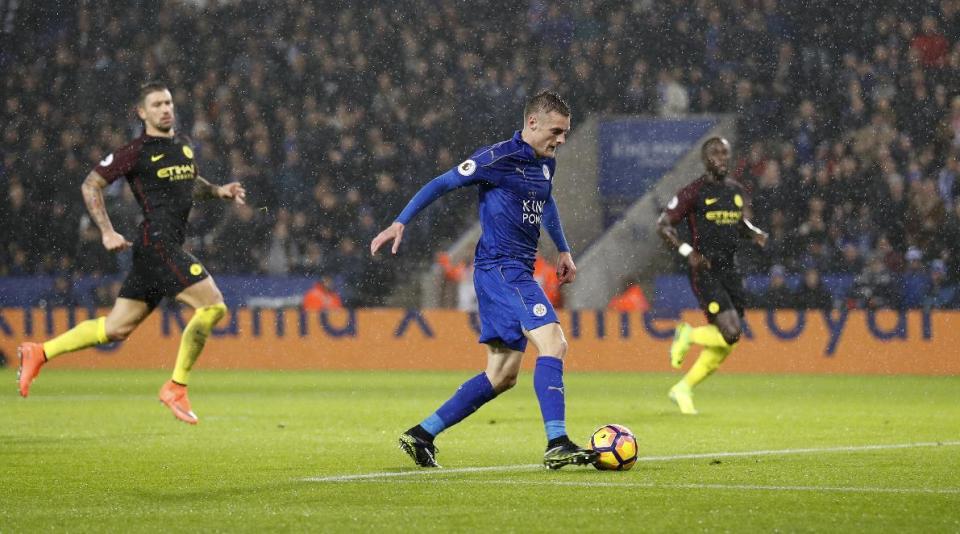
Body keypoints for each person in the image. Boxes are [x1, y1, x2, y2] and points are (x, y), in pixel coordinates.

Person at [370, 91, 597, 469]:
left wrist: (563, 249)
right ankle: (557, 442)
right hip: (502, 269)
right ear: (533, 123)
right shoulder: (497, 158)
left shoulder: (545, 163)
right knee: (553, 343)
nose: (560, 140)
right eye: (556, 131)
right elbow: (441, 183)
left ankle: (422, 434)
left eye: (566, 133)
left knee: (502, 374)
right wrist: (400, 222)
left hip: (511, 272)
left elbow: (546, 200)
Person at [16, 82, 246, 425]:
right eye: (156, 105)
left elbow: (189, 182)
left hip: (154, 251)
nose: (166, 109)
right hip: (158, 245)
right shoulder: (135, 152)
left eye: (168, 102)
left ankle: (41, 351)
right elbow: (90, 184)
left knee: (115, 329)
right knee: (213, 306)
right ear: (143, 113)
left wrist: (218, 191)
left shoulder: (183, 147)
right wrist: (107, 231)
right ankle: (176, 386)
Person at [656, 137, 767, 414]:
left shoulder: (736, 191)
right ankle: (688, 335)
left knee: (729, 341)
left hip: (731, 269)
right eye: (715, 153)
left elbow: (739, 222)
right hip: (705, 269)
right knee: (730, 332)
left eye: (725, 153)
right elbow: (664, 225)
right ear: (705, 159)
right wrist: (686, 251)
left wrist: (754, 233)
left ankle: (683, 388)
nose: (721, 157)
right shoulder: (694, 192)